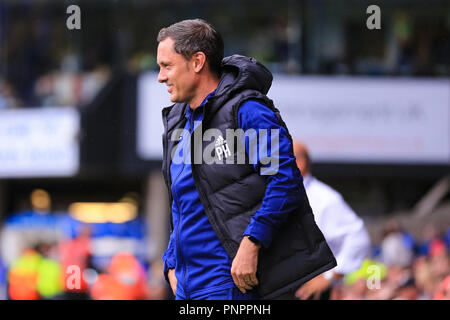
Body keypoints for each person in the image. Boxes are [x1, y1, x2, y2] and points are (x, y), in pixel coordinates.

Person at [158, 19, 336, 300]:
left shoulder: (247, 109)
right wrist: (170, 262)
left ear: (197, 62)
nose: (160, 76)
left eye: (167, 66)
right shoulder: (178, 123)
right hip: (187, 287)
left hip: (229, 284)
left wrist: (252, 242)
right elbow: (182, 204)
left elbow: (285, 179)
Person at [293, 142, 371, 299]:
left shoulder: (325, 199)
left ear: (300, 163)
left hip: (308, 292)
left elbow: (358, 237)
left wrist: (331, 275)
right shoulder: (276, 194)